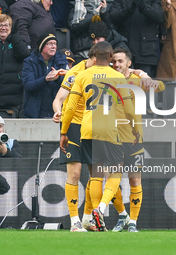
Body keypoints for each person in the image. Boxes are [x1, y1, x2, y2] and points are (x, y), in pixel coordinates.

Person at [60, 41, 140, 231]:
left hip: (87, 129)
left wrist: (64, 131)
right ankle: (100, 208)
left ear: (93, 56)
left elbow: (70, 106)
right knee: (115, 171)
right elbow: (128, 108)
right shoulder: (117, 76)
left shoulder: (82, 75)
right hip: (109, 129)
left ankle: (91, 217)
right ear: (111, 57)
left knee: (95, 173)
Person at [110, 47, 165, 232]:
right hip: (112, 138)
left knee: (134, 180)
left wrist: (145, 76)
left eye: (120, 61)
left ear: (128, 63)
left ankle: (133, 221)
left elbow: (161, 87)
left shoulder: (136, 80)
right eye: (114, 61)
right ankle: (122, 215)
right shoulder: (106, 79)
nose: (116, 64)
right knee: (112, 181)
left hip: (133, 139)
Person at [52, 45, 97, 232]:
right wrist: (58, 112)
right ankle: (74, 221)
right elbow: (58, 99)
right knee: (75, 174)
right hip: (74, 126)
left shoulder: (105, 73)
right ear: (92, 57)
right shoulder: (75, 72)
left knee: (96, 175)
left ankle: (87, 218)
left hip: (95, 126)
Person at [109, 0, 165, 77]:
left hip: (146, 53)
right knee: (122, 85)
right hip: (125, 52)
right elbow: (113, 17)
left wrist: (143, 7)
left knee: (146, 86)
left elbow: (159, 17)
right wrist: (129, 10)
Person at [22, 32, 68, 118]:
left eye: (55, 44)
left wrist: (57, 79)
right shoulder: (30, 61)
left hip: (57, 110)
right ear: (41, 46)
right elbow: (28, 85)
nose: (53, 46)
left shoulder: (62, 59)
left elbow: (70, 82)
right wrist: (45, 79)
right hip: (35, 111)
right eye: (50, 44)